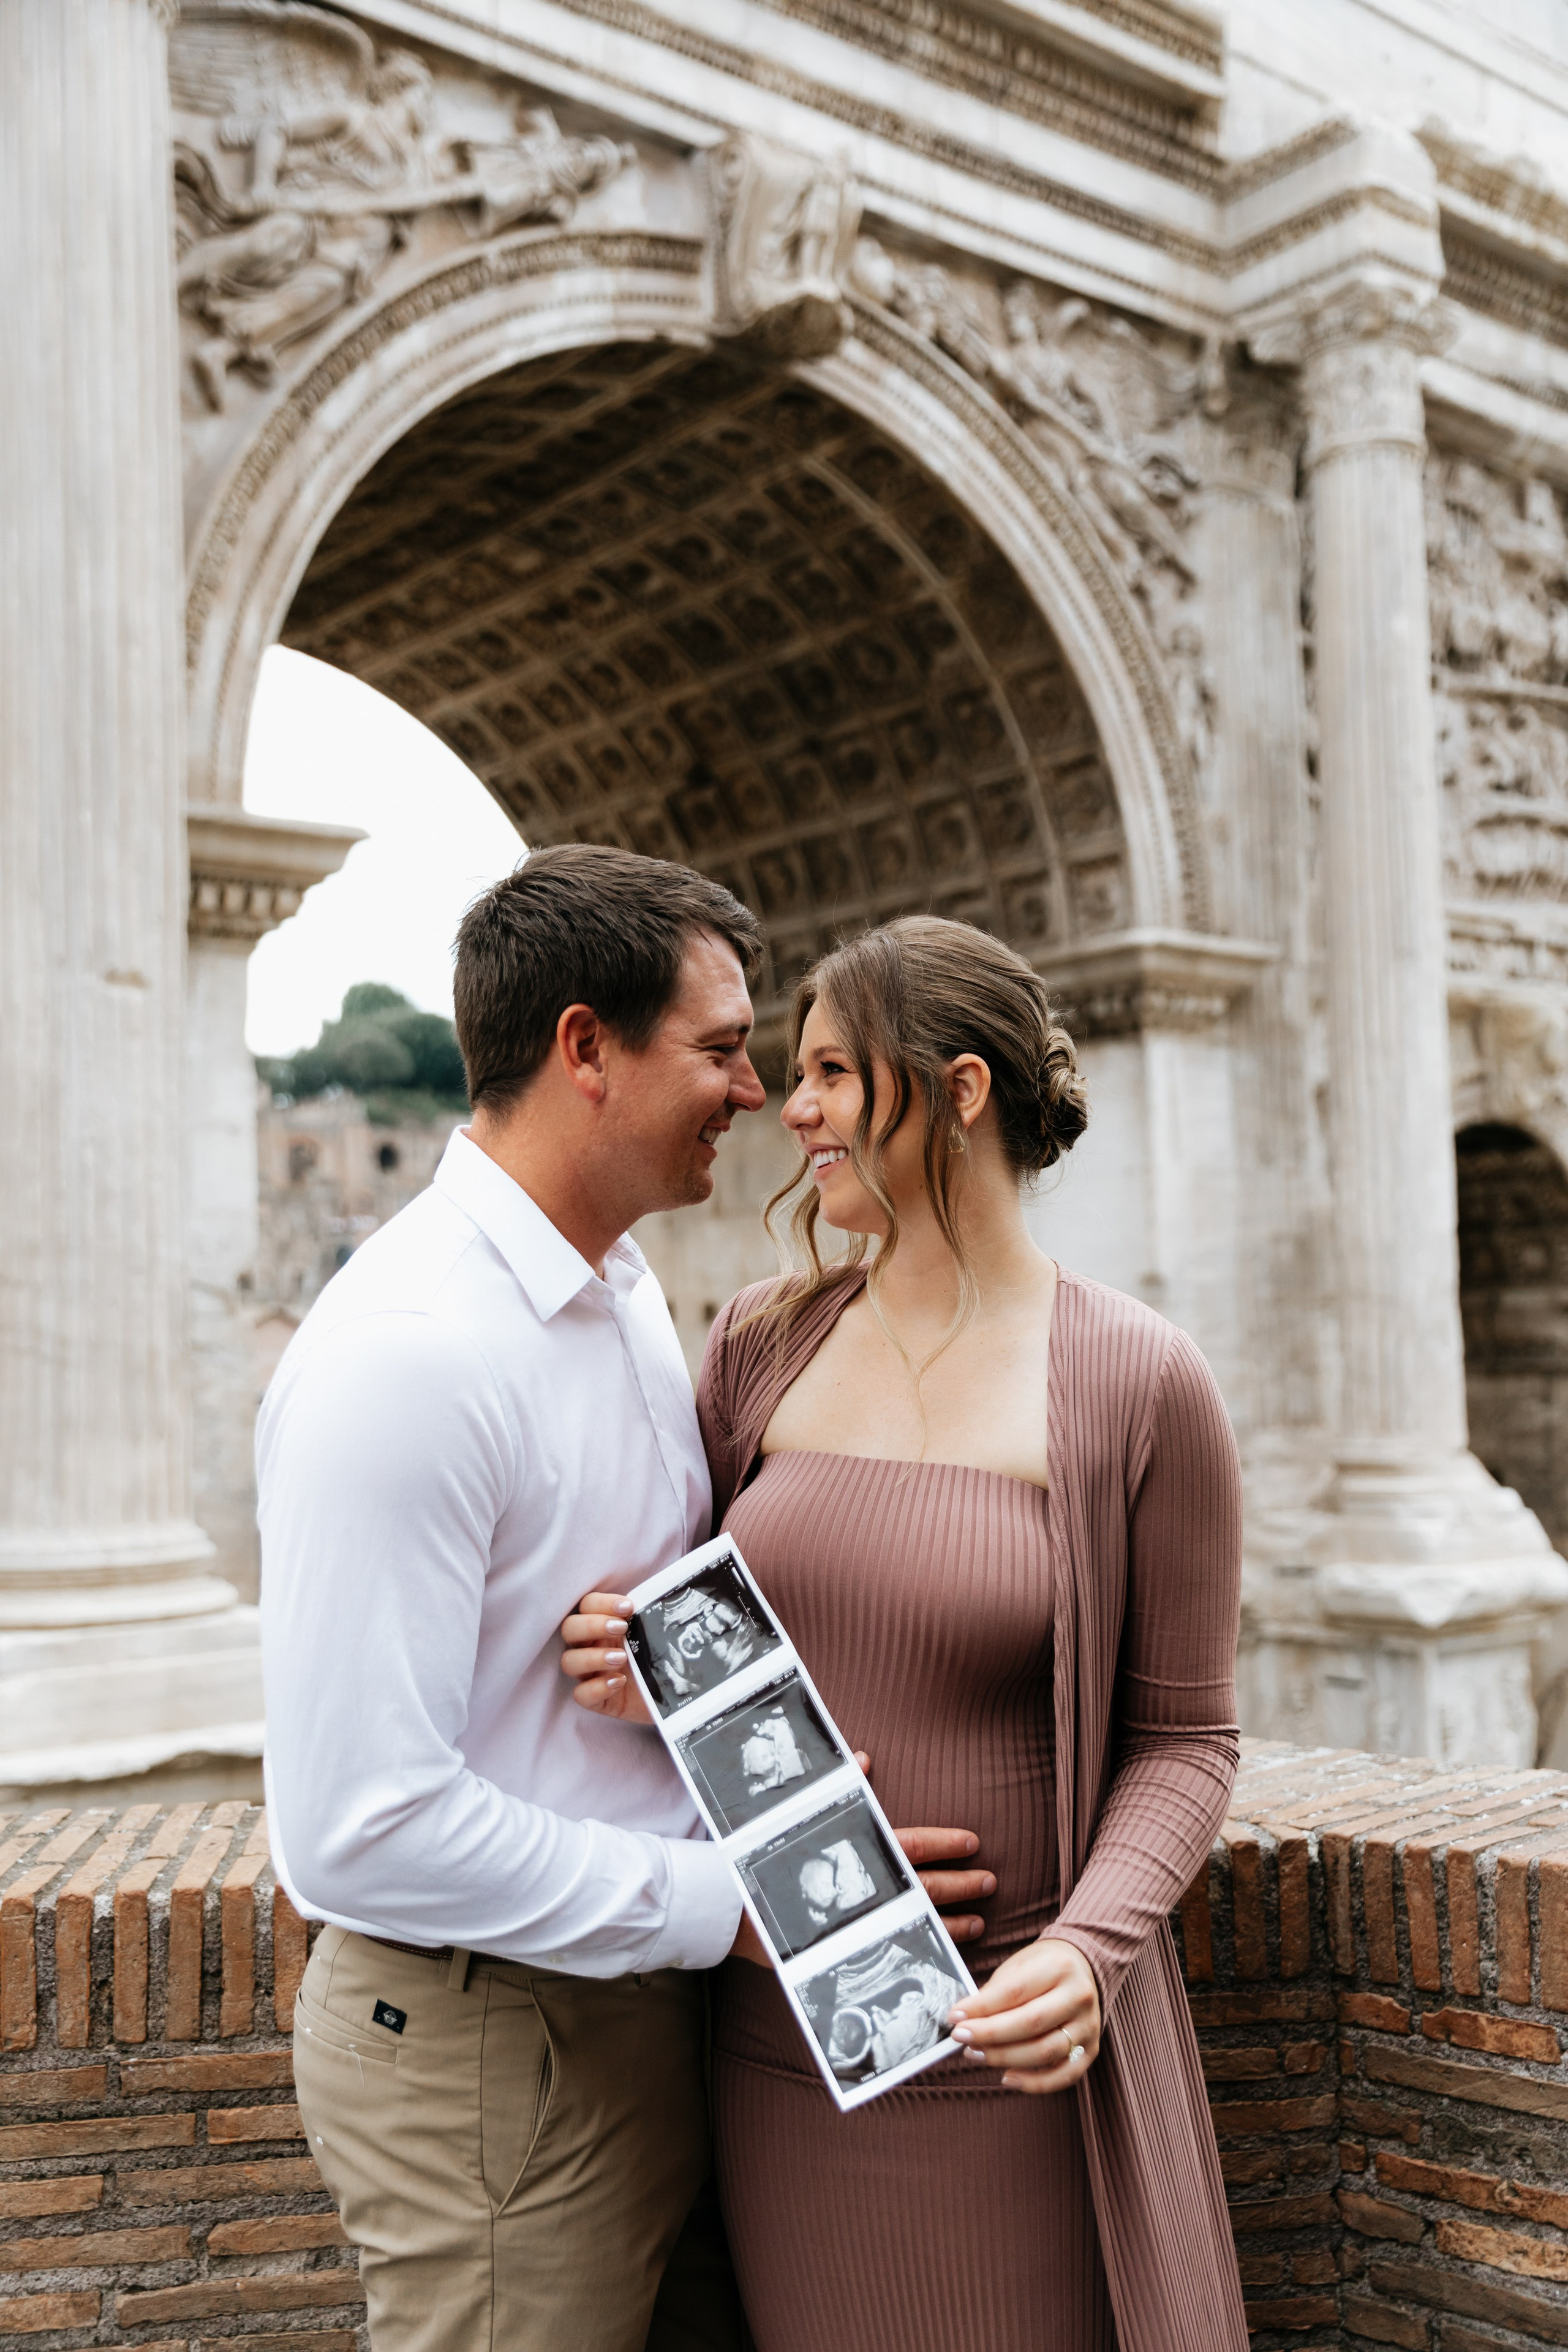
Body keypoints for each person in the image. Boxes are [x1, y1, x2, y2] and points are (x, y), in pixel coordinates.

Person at [258, 850, 990, 2352]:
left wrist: (662, 1647)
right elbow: (360, 1825)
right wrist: (733, 1909)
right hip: (490, 2041)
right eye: (721, 1051)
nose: (760, 1095)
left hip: (636, 2005)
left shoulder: (625, 1290)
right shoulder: (403, 1354)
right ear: (584, 1050)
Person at [562, 913, 1249, 2352]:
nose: (783, 1105)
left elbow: (1184, 1738)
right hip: (780, 2055)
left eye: (826, 1072)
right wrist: (641, 1672)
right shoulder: (758, 1340)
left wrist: (1089, 1949)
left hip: (1015, 2063)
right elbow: (711, 1643)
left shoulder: (1141, 1381)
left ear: (956, 1089)